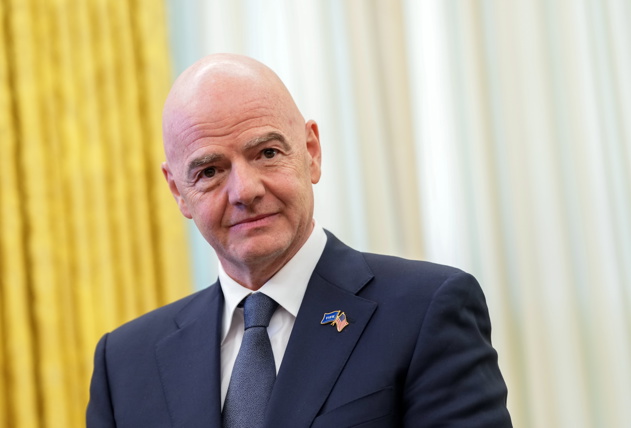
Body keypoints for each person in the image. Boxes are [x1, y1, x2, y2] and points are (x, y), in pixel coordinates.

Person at [87, 53, 512, 427]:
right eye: (210, 171)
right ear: (178, 191)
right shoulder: (124, 363)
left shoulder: (426, 310)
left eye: (267, 153)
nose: (245, 191)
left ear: (311, 152)